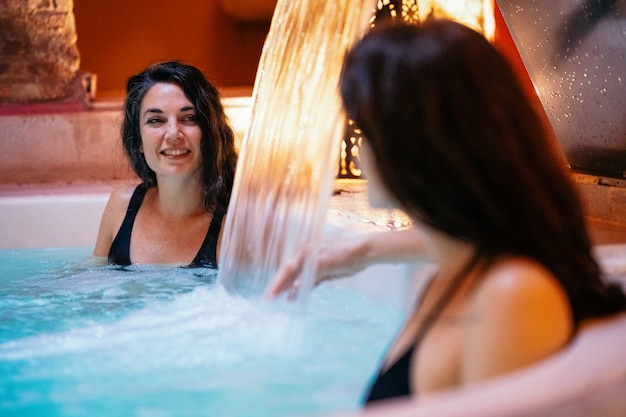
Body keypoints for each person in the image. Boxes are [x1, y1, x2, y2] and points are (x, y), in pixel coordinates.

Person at [268, 19, 626, 404]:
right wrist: (359, 251)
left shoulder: (511, 298)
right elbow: (467, 231)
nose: (358, 151)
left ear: (416, 148)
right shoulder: (466, 262)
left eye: (367, 132)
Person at [93, 61, 238, 267]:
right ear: (139, 141)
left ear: (210, 133)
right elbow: (91, 279)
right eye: (156, 120)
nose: (173, 134)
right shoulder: (122, 206)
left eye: (189, 118)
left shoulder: (230, 228)